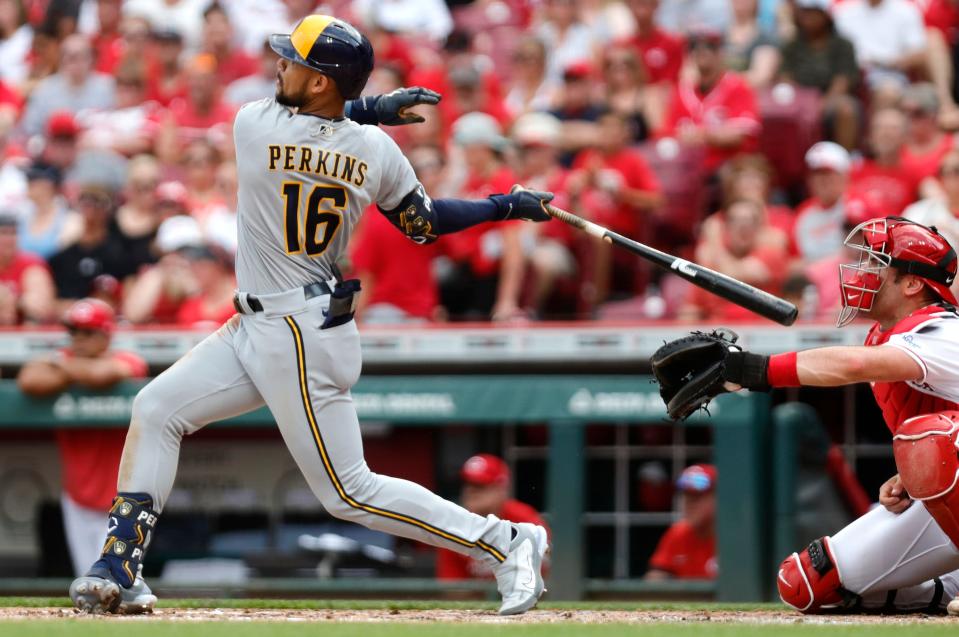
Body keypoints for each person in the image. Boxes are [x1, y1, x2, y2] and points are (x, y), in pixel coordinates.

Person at [69, 15, 550, 617]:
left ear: (323, 83)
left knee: (349, 492)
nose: (280, 66)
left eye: (294, 61)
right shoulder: (375, 149)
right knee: (156, 409)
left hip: (296, 331)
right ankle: (120, 564)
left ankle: (505, 542)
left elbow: (312, 124)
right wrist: (506, 203)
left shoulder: (254, 124)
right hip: (262, 324)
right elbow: (424, 222)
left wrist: (369, 105)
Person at [660, 215, 959, 613]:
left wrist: (752, 370)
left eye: (876, 264)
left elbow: (852, 366)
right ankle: (946, 590)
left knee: (932, 439)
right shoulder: (889, 336)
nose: (862, 272)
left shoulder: (941, 330)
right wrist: (915, 474)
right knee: (806, 584)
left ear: (912, 283)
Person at [17, 299, 148, 578]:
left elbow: (106, 373)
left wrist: (60, 365)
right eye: (74, 332)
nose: (78, 339)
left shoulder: (124, 359)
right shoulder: (62, 361)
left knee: (120, 579)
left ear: (105, 335)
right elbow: (29, 380)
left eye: (87, 332)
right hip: (77, 494)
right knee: (88, 579)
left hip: (124, 494)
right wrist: (69, 367)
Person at [659, 28, 761, 175]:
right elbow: (668, 133)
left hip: (729, 166)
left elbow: (740, 135)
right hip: (688, 168)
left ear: (720, 53)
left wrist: (703, 135)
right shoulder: (682, 90)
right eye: (695, 47)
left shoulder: (737, 86)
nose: (702, 52)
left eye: (710, 47)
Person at [436, 454, 548, 580]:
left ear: (501, 489)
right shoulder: (454, 527)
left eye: (479, 485)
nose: (469, 491)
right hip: (479, 599)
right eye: (467, 484)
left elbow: (549, 577)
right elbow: (453, 590)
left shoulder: (523, 519)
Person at [778, 0, 860, 150]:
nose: (808, 18)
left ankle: (845, 158)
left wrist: (822, 104)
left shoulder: (843, 45)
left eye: (813, 13)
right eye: (805, 13)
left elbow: (843, 80)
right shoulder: (792, 45)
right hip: (798, 100)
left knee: (845, 109)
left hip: (831, 98)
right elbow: (786, 77)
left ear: (825, 16)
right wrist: (802, 103)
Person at [645, 464, 718, 580]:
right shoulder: (678, 533)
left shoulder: (733, 537)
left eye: (696, 497)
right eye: (685, 496)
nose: (688, 504)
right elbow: (655, 579)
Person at [792, 142, 853, 264]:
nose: (822, 180)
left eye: (828, 174)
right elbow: (794, 260)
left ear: (844, 176)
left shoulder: (860, 207)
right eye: (816, 174)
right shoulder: (802, 212)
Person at [0, 210, 55, 325]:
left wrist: (12, 300)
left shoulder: (31, 263)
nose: (10, 239)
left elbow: (40, 306)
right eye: (4, 233)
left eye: (13, 233)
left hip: (22, 334)